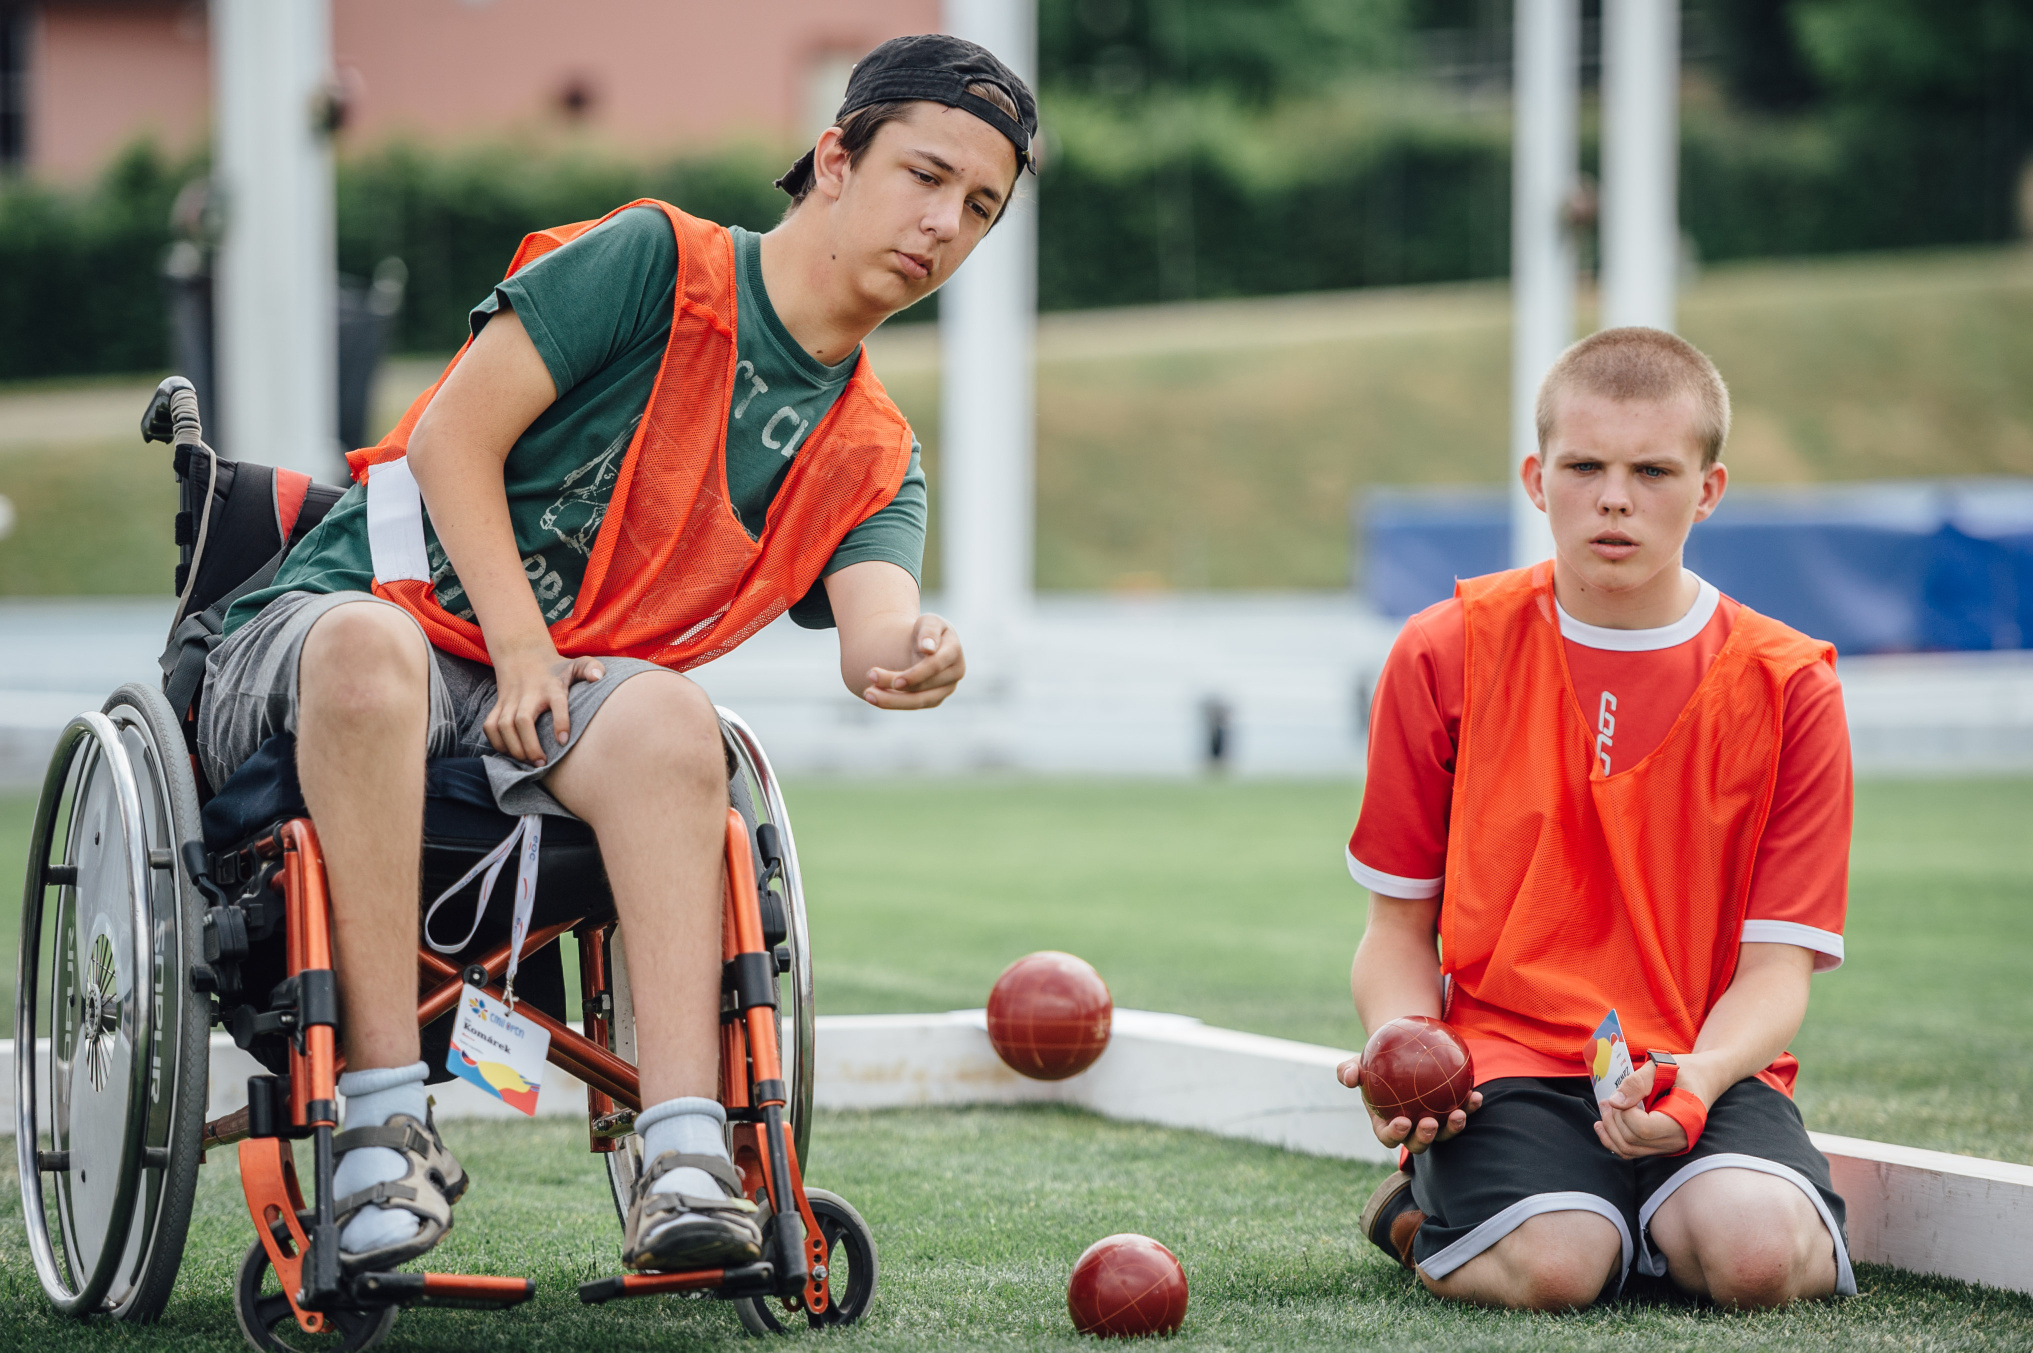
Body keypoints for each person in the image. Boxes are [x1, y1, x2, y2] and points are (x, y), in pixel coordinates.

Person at [196, 35, 1037, 1275]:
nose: (944, 224)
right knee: (376, 653)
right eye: (924, 175)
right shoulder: (658, 262)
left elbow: (875, 628)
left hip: (548, 705)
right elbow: (449, 442)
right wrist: (523, 651)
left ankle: (686, 1151)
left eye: (979, 208)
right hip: (335, 632)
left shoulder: (872, 453)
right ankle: (379, 1132)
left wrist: (914, 656)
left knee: (671, 723)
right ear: (834, 158)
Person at [1339, 328, 1856, 1310]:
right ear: (1537, 479)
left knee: (1758, 1261)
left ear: (1705, 490)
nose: (1612, 498)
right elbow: (1394, 930)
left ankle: (1637, 1213)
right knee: (1556, 1268)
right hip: (1504, 1059)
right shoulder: (1441, 652)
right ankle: (1428, 1212)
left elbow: (1774, 973)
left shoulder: (1789, 684)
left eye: (1651, 470)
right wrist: (1405, 1051)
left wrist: (1697, 1080)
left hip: (1701, 1059)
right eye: (1583, 466)